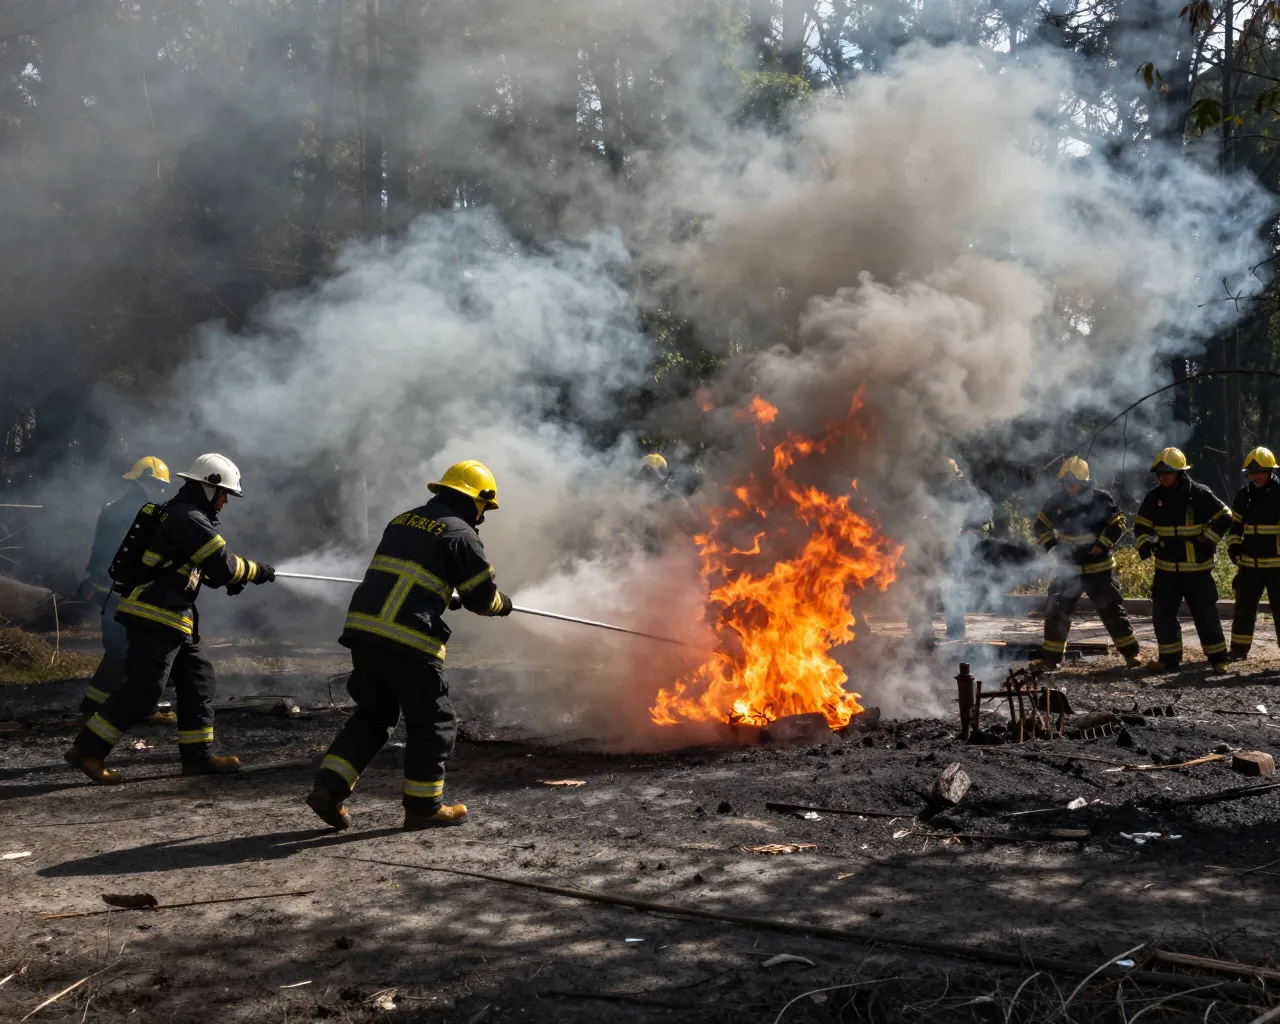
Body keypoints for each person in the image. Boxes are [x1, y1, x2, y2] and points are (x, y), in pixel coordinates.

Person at [306, 460, 513, 832]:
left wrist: (442, 594)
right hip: (407, 637)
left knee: (374, 715)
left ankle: (329, 789)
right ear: (475, 499)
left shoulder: (404, 520)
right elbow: (482, 599)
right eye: (484, 507)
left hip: (365, 630)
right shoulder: (461, 533)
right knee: (434, 721)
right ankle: (424, 808)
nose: (483, 516)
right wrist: (503, 605)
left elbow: (410, 574)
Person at [63, 454, 276, 783]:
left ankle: (197, 758)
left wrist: (228, 580)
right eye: (224, 495)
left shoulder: (182, 515)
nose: (224, 503)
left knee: (199, 681)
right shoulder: (188, 517)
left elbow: (196, 566)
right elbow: (222, 564)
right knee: (145, 688)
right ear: (209, 487)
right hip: (156, 614)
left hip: (175, 617)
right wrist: (256, 571)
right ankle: (88, 750)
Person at [76, 457, 171, 717]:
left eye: (163, 487)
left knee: (122, 651)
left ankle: (96, 704)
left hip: (107, 588)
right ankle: (119, 707)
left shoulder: (114, 507)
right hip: (122, 591)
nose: (160, 491)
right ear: (143, 481)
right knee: (128, 651)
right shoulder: (142, 512)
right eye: (158, 485)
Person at [1032, 456, 1141, 670]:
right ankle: (1051, 660)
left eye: (1072, 483)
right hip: (1068, 570)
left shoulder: (1101, 499)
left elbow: (1118, 523)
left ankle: (1131, 655)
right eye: (1065, 483)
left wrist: (1103, 544)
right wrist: (1053, 546)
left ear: (1084, 482)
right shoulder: (1057, 501)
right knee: (1056, 611)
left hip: (1098, 568)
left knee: (1112, 611)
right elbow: (1040, 525)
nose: (1069, 488)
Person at [1133, 447, 1232, 674]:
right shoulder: (1154, 497)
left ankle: (1218, 659)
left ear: (1180, 472)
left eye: (1168, 472)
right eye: (1161, 473)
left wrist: (1208, 539)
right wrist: (1145, 543)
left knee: (1205, 615)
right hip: (1166, 569)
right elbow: (1141, 525)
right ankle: (1168, 659)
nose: (1164, 477)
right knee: (1163, 615)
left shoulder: (1199, 493)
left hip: (1197, 569)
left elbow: (1225, 516)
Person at [1226, 447, 1280, 661]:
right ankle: (1238, 650)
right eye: (1252, 473)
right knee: (1244, 609)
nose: (1256, 477)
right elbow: (1235, 529)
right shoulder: (1243, 495)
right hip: (1249, 565)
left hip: (1277, 565)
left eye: (1260, 472)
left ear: (1270, 472)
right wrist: (1234, 549)